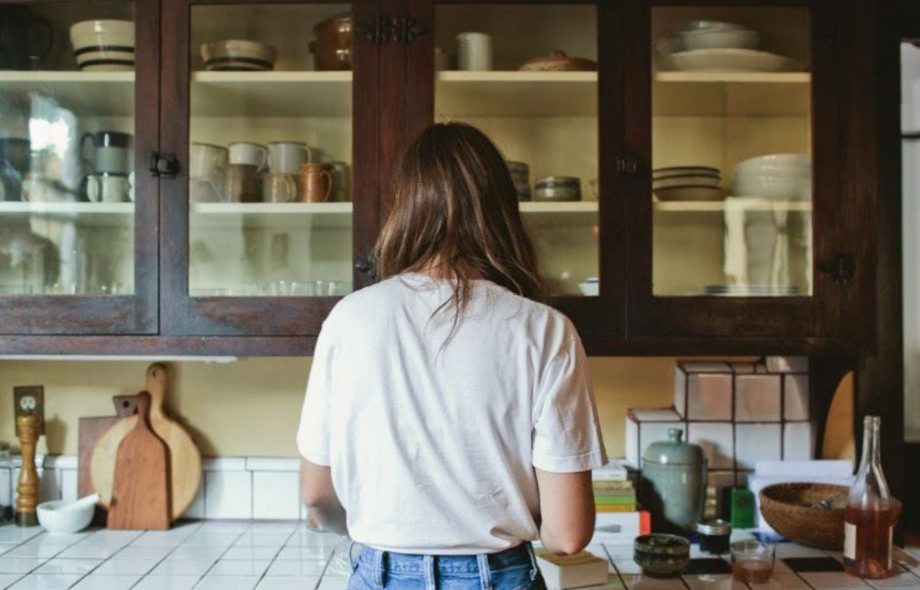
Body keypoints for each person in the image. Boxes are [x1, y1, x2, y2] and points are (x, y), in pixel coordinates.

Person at [297, 122, 607, 590]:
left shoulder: (349, 319)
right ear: (502, 209)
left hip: (379, 572)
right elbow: (567, 535)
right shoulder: (545, 330)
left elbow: (317, 495)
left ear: (404, 207)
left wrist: (378, 533)